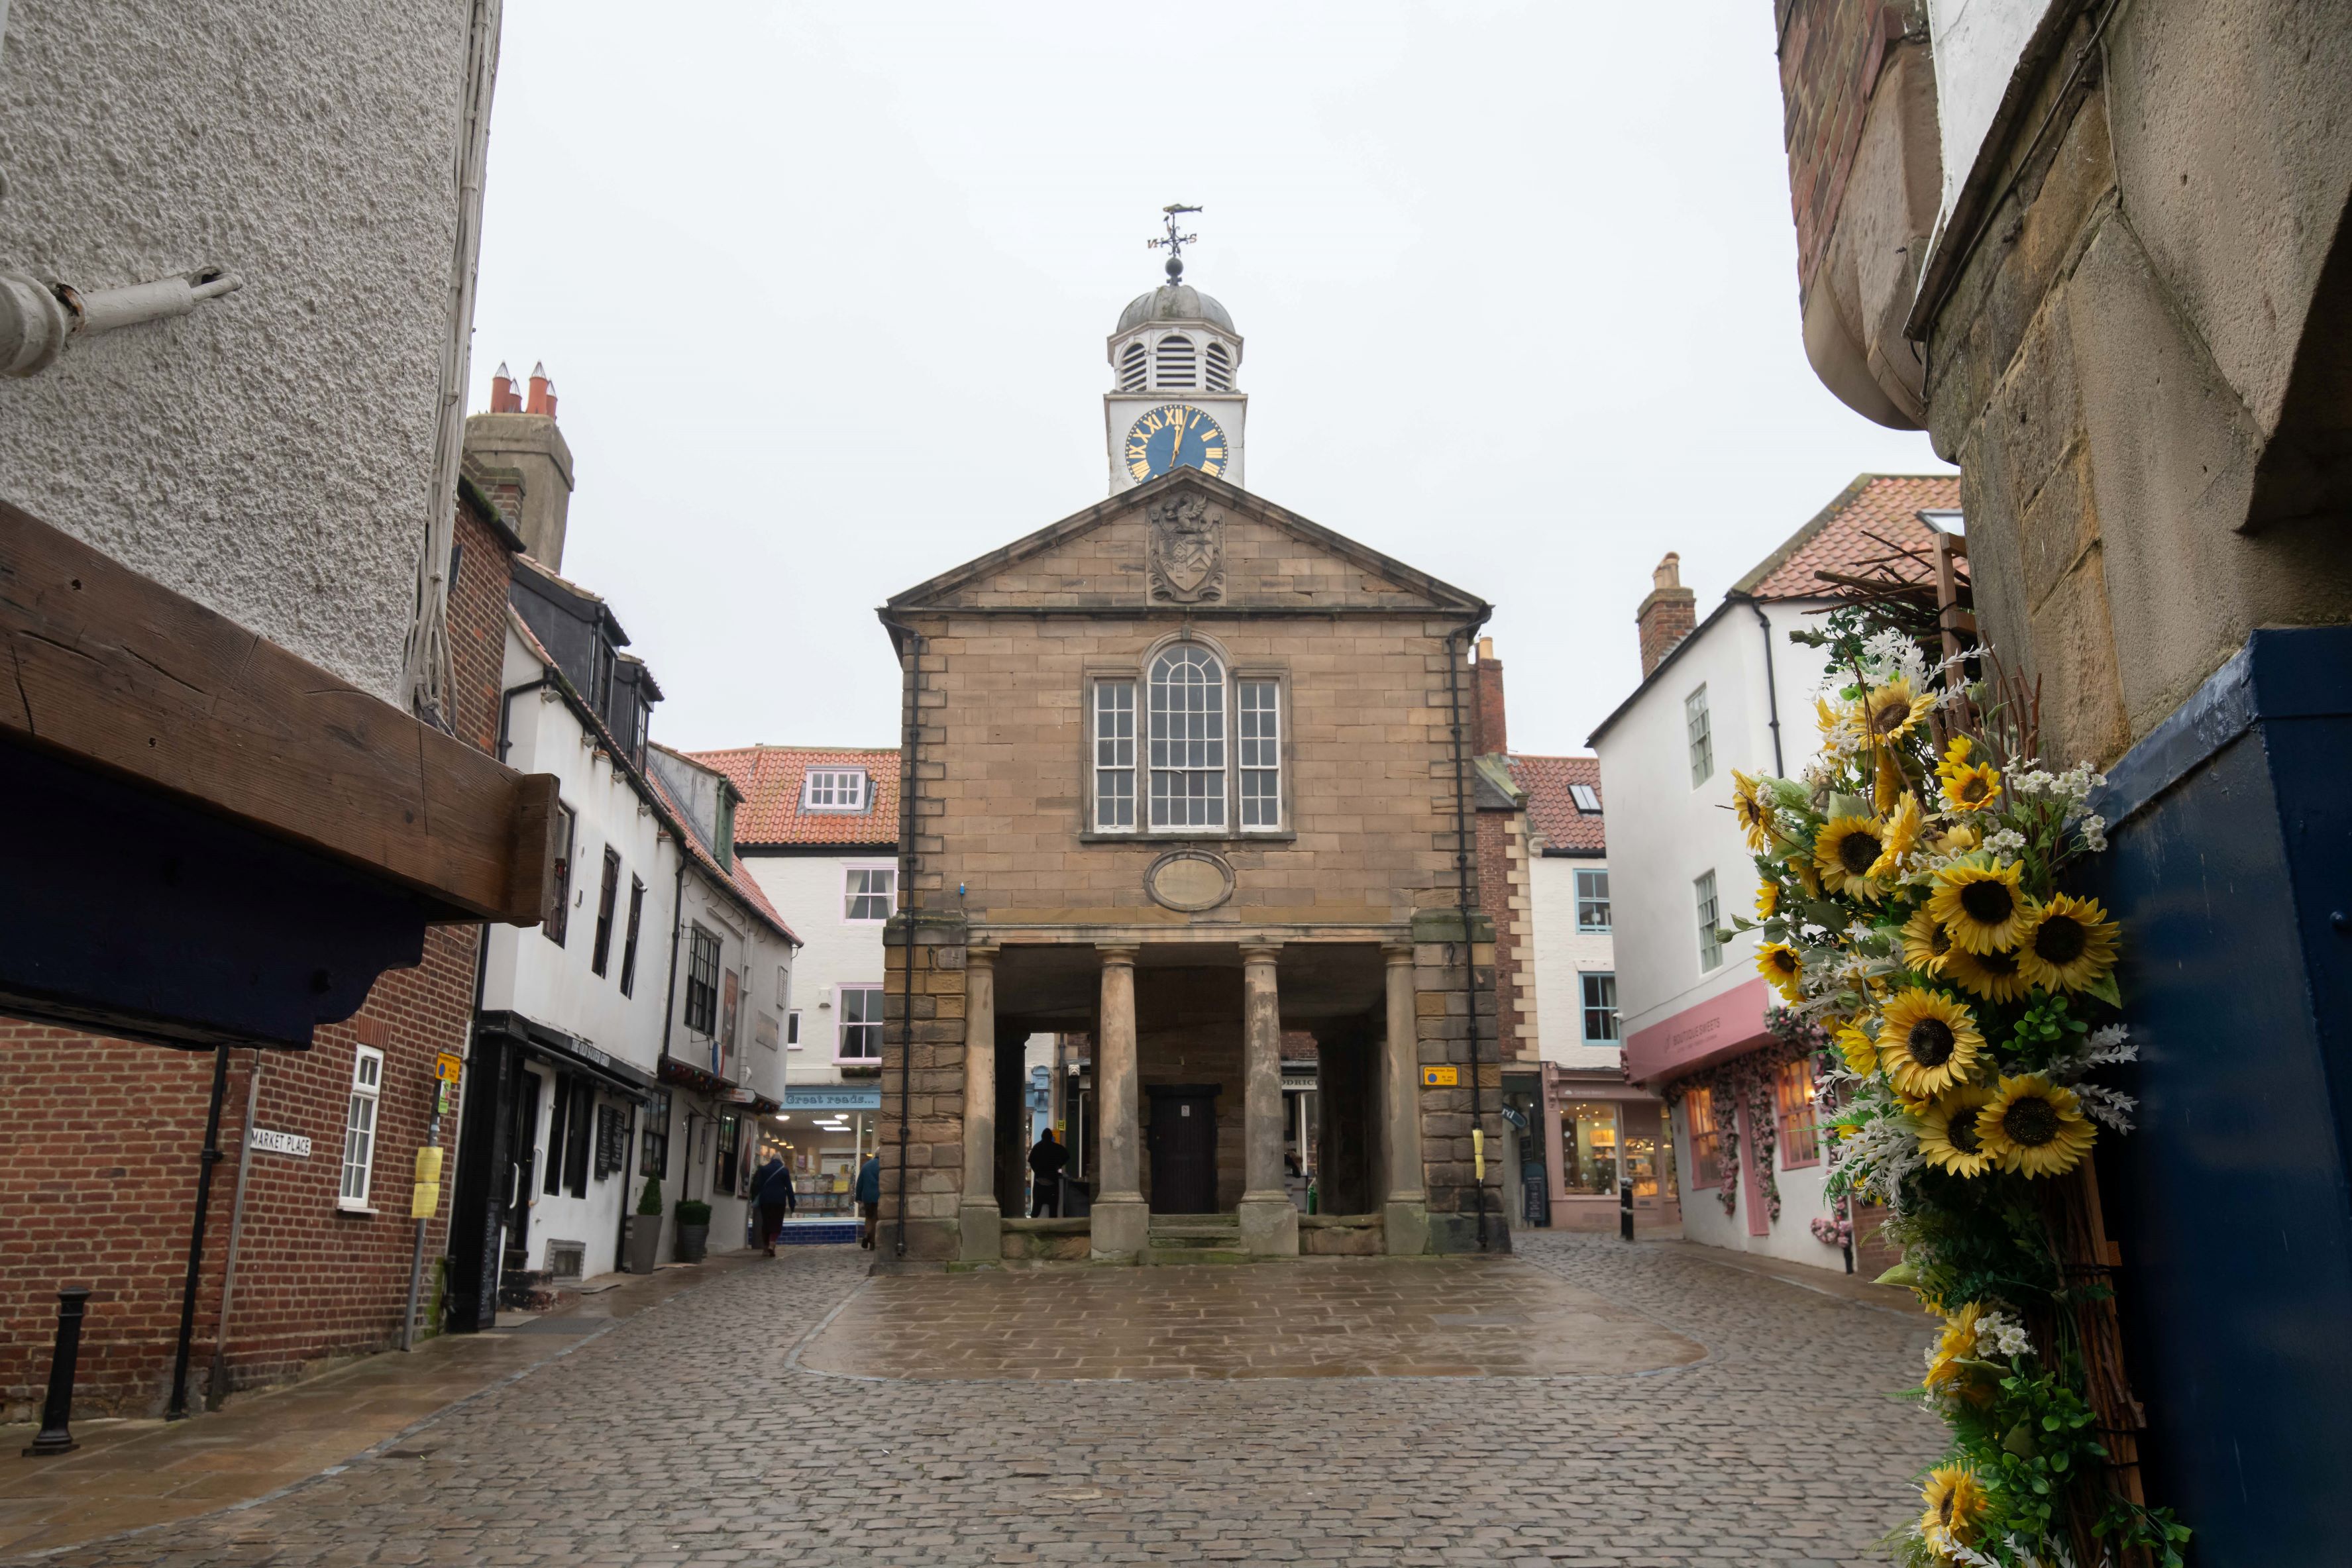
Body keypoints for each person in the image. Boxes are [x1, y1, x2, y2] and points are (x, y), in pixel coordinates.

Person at [751, 1152, 796, 1257]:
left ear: (771, 1160)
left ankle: (765, 1248)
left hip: (765, 1200)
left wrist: (754, 1199)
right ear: (781, 1161)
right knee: (776, 1223)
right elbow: (789, 1189)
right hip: (779, 1201)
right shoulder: (784, 1171)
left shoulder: (763, 1169)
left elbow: (758, 1186)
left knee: (766, 1223)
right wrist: (792, 1203)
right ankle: (772, 1244)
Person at [1028, 1127, 1067, 1218]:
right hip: (1052, 1181)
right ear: (1051, 1137)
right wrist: (1058, 1165)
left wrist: (1037, 1170)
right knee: (1053, 1211)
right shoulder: (1056, 1147)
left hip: (1039, 1182)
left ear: (1042, 1137)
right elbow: (1067, 1155)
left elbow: (1031, 1161)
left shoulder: (1037, 1147)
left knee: (1036, 1210)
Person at [854, 1150, 881, 1250]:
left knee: (869, 1218)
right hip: (880, 1196)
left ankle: (867, 1234)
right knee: (877, 1219)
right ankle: (873, 1242)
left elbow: (860, 1183)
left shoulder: (866, 1166)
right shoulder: (883, 1166)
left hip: (868, 1197)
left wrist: (858, 1198)